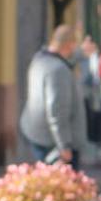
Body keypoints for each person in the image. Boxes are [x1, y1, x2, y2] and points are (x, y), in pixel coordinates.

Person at [19, 25, 91, 169]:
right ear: (69, 45)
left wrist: (81, 53)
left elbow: (63, 58)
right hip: (53, 142)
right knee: (64, 187)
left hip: (36, 132)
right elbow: (57, 111)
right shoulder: (59, 71)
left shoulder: (40, 59)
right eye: (73, 47)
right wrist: (64, 146)